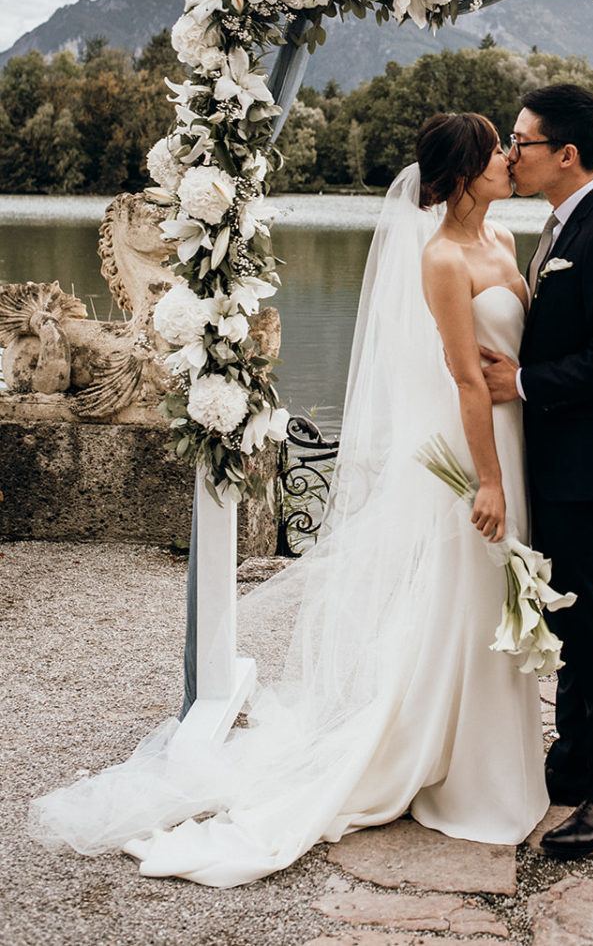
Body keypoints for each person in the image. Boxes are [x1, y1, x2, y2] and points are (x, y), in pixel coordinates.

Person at [29, 113, 548, 887]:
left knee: (495, 600)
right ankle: (457, 772)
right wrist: (490, 481)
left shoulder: (504, 244)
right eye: (496, 153)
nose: (510, 160)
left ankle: (503, 765)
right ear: (466, 171)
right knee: (468, 600)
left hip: (513, 434)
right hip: (474, 454)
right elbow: (463, 378)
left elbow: (508, 357)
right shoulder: (440, 258)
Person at [481, 83, 593, 859]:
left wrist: (518, 385)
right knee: (565, 616)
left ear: (565, 154)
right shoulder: (558, 227)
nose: (509, 154)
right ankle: (575, 760)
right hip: (560, 462)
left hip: (592, 465)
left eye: (520, 142)